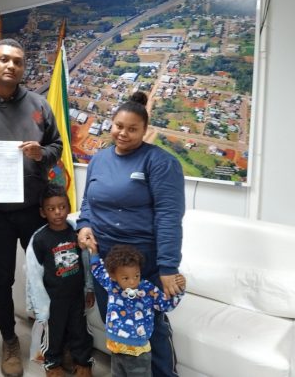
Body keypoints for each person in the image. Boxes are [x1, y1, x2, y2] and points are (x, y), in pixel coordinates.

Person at [0, 38, 63, 377]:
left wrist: (41, 153)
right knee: (1, 278)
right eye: (4, 59)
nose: (11, 66)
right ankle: (9, 340)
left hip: (35, 210)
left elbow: (57, 146)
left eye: (18, 61)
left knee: (48, 274)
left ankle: (53, 339)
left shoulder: (38, 104)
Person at [76, 91, 186, 377]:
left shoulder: (160, 162)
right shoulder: (99, 159)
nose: (123, 133)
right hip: (105, 260)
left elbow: (169, 217)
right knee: (116, 322)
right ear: (111, 124)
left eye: (132, 129)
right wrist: (84, 225)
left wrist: (168, 266)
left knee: (152, 327)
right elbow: (88, 201)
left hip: (143, 261)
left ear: (145, 130)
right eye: (119, 126)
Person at [85, 243, 185, 377]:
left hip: (138, 351)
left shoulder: (147, 289)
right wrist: (93, 251)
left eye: (136, 275)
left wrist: (179, 289)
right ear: (113, 276)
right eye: (125, 278)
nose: (132, 282)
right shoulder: (111, 284)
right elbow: (97, 269)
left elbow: (166, 305)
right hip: (115, 346)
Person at [26, 184, 95, 377]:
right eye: (51, 208)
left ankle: (83, 363)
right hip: (53, 300)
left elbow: (86, 262)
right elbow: (34, 275)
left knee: (80, 331)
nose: (58, 212)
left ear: (69, 207)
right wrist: (39, 306)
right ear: (43, 212)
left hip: (76, 296)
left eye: (62, 207)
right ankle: (53, 364)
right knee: (54, 335)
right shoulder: (39, 239)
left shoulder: (76, 232)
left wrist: (89, 288)